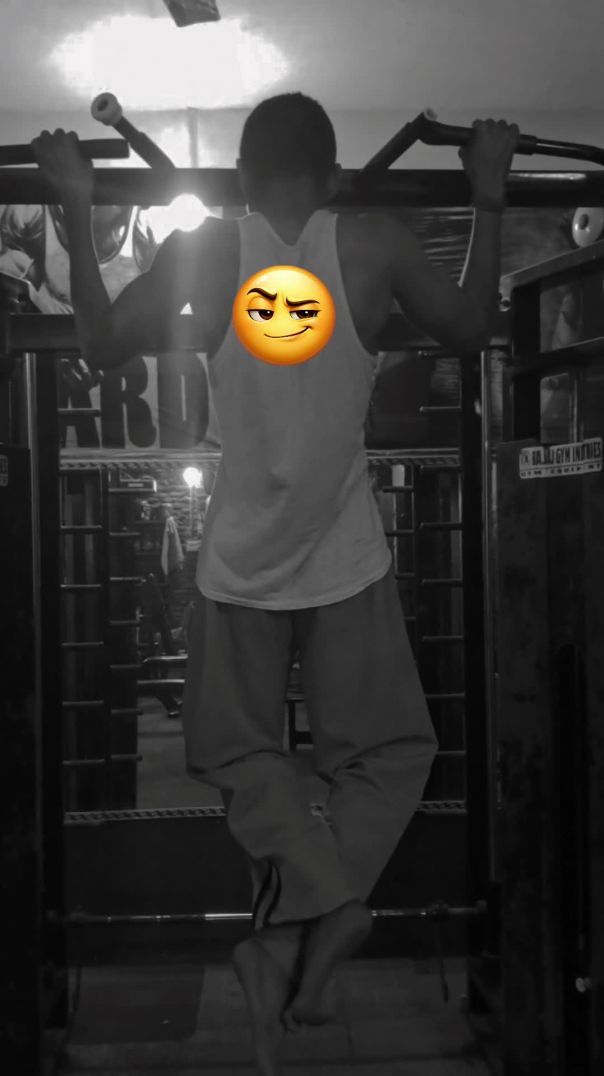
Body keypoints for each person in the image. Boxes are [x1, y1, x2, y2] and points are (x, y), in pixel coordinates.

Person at [32, 96, 518, 1075]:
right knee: (391, 752)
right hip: (343, 554)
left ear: (244, 180)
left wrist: (77, 205)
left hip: (240, 562)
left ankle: (307, 915)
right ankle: (316, 915)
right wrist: (490, 193)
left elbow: (100, 341)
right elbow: (472, 328)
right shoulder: (374, 241)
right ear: (332, 179)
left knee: (235, 750)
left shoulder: (205, 249)